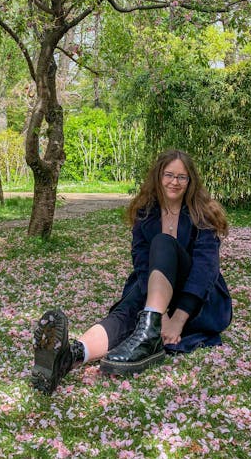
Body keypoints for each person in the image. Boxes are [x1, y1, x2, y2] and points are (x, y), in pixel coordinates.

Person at [31, 149, 232, 395]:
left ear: (191, 181)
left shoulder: (203, 213)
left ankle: (149, 328)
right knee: (125, 314)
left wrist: (177, 319)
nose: (174, 182)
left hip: (196, 300)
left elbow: (205, 269)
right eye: (169, 175)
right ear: (158, 176)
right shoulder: (145, 212)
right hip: (155, 291)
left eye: (182, 177)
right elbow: (142, 265)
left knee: (163, 243)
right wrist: (161, 319)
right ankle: (71, 355)